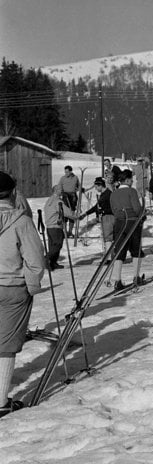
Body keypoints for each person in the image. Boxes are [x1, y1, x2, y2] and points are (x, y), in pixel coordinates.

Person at [0, 172, 45, 417]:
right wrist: (32, 286)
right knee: (6, 345)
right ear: (13, 193)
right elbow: (36, 261)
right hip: (12, 287)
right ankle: (0, 402)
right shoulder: (21, 221)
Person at [110, 169, 144, 290]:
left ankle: (117, 280)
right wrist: (142, 215)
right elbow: (137, 207)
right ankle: (136, 276)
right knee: (136, 249)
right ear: (128, 180)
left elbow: (113, 209)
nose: (132, 181)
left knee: (119, 250)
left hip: (119, 223)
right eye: (131, 179)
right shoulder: (131, 191)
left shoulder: (114, 193)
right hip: (132, 222)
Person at [43, 185, 79, 270]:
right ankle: (47, 258)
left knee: (52, 245)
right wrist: (76, 216)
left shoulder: (49, 200)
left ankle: (53, 263)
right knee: (58, 244)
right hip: (56, 226)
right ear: (56, 190)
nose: (62, 191)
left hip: (49, 226)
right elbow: (66, 212)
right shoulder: (58, 201)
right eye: (60, 189)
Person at [81, 177, 114, 255]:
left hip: (108, 217)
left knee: (108, 238)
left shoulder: (107, 194)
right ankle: (108, 255)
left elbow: (97, 207)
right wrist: (86, 214)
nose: (95, 189)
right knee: (106, 237)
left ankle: (109, 257)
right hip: (105, 217)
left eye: (96, 187)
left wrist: (86, 214)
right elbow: (97, 206)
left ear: (100, 185)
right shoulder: (104, 194)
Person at [57, 165, 81, 237]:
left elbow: (79, 186)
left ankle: (70, 231)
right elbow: (59, 187)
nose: (66, 173)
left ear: (71, 171)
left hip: (73, 197)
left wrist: (81, 189)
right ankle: (64, 231)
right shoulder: (62, 178)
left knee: (72, 214)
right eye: (65, 172)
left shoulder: (75, 178)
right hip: (65, 196)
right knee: (65, 213)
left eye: (67, 172)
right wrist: (61, 193)